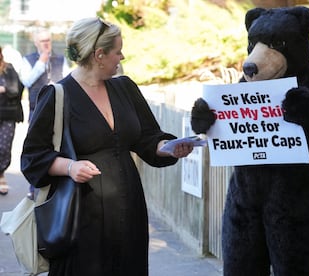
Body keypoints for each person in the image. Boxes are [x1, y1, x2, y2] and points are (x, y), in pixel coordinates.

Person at [20, 17, 194, 275]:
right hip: (80, 215)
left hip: (129, 208)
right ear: (99, 54)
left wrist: (167, 146)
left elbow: (147, 137)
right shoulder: (58, 94)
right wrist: (70, 167)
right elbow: (32, 157)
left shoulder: (125, 88)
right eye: (117, 51)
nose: (122, 57)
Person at [20, 27, 71, 199]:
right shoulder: (28, 60)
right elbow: (26, 80)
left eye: (48, 40)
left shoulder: (61, 59)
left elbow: (68, 79)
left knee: (60, 145)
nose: (46, 44)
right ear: (35, 43)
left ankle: (55, 187)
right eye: (42, 41)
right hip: (37, 108)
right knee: (37, 146)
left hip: (61, 107)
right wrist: (41, 63)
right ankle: (35, 187)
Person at [0, 46, 24, 195]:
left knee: (4, 147)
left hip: (7, 114)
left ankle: (1, 173)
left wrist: (3, 89)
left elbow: (16, 89)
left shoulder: (8, 68)